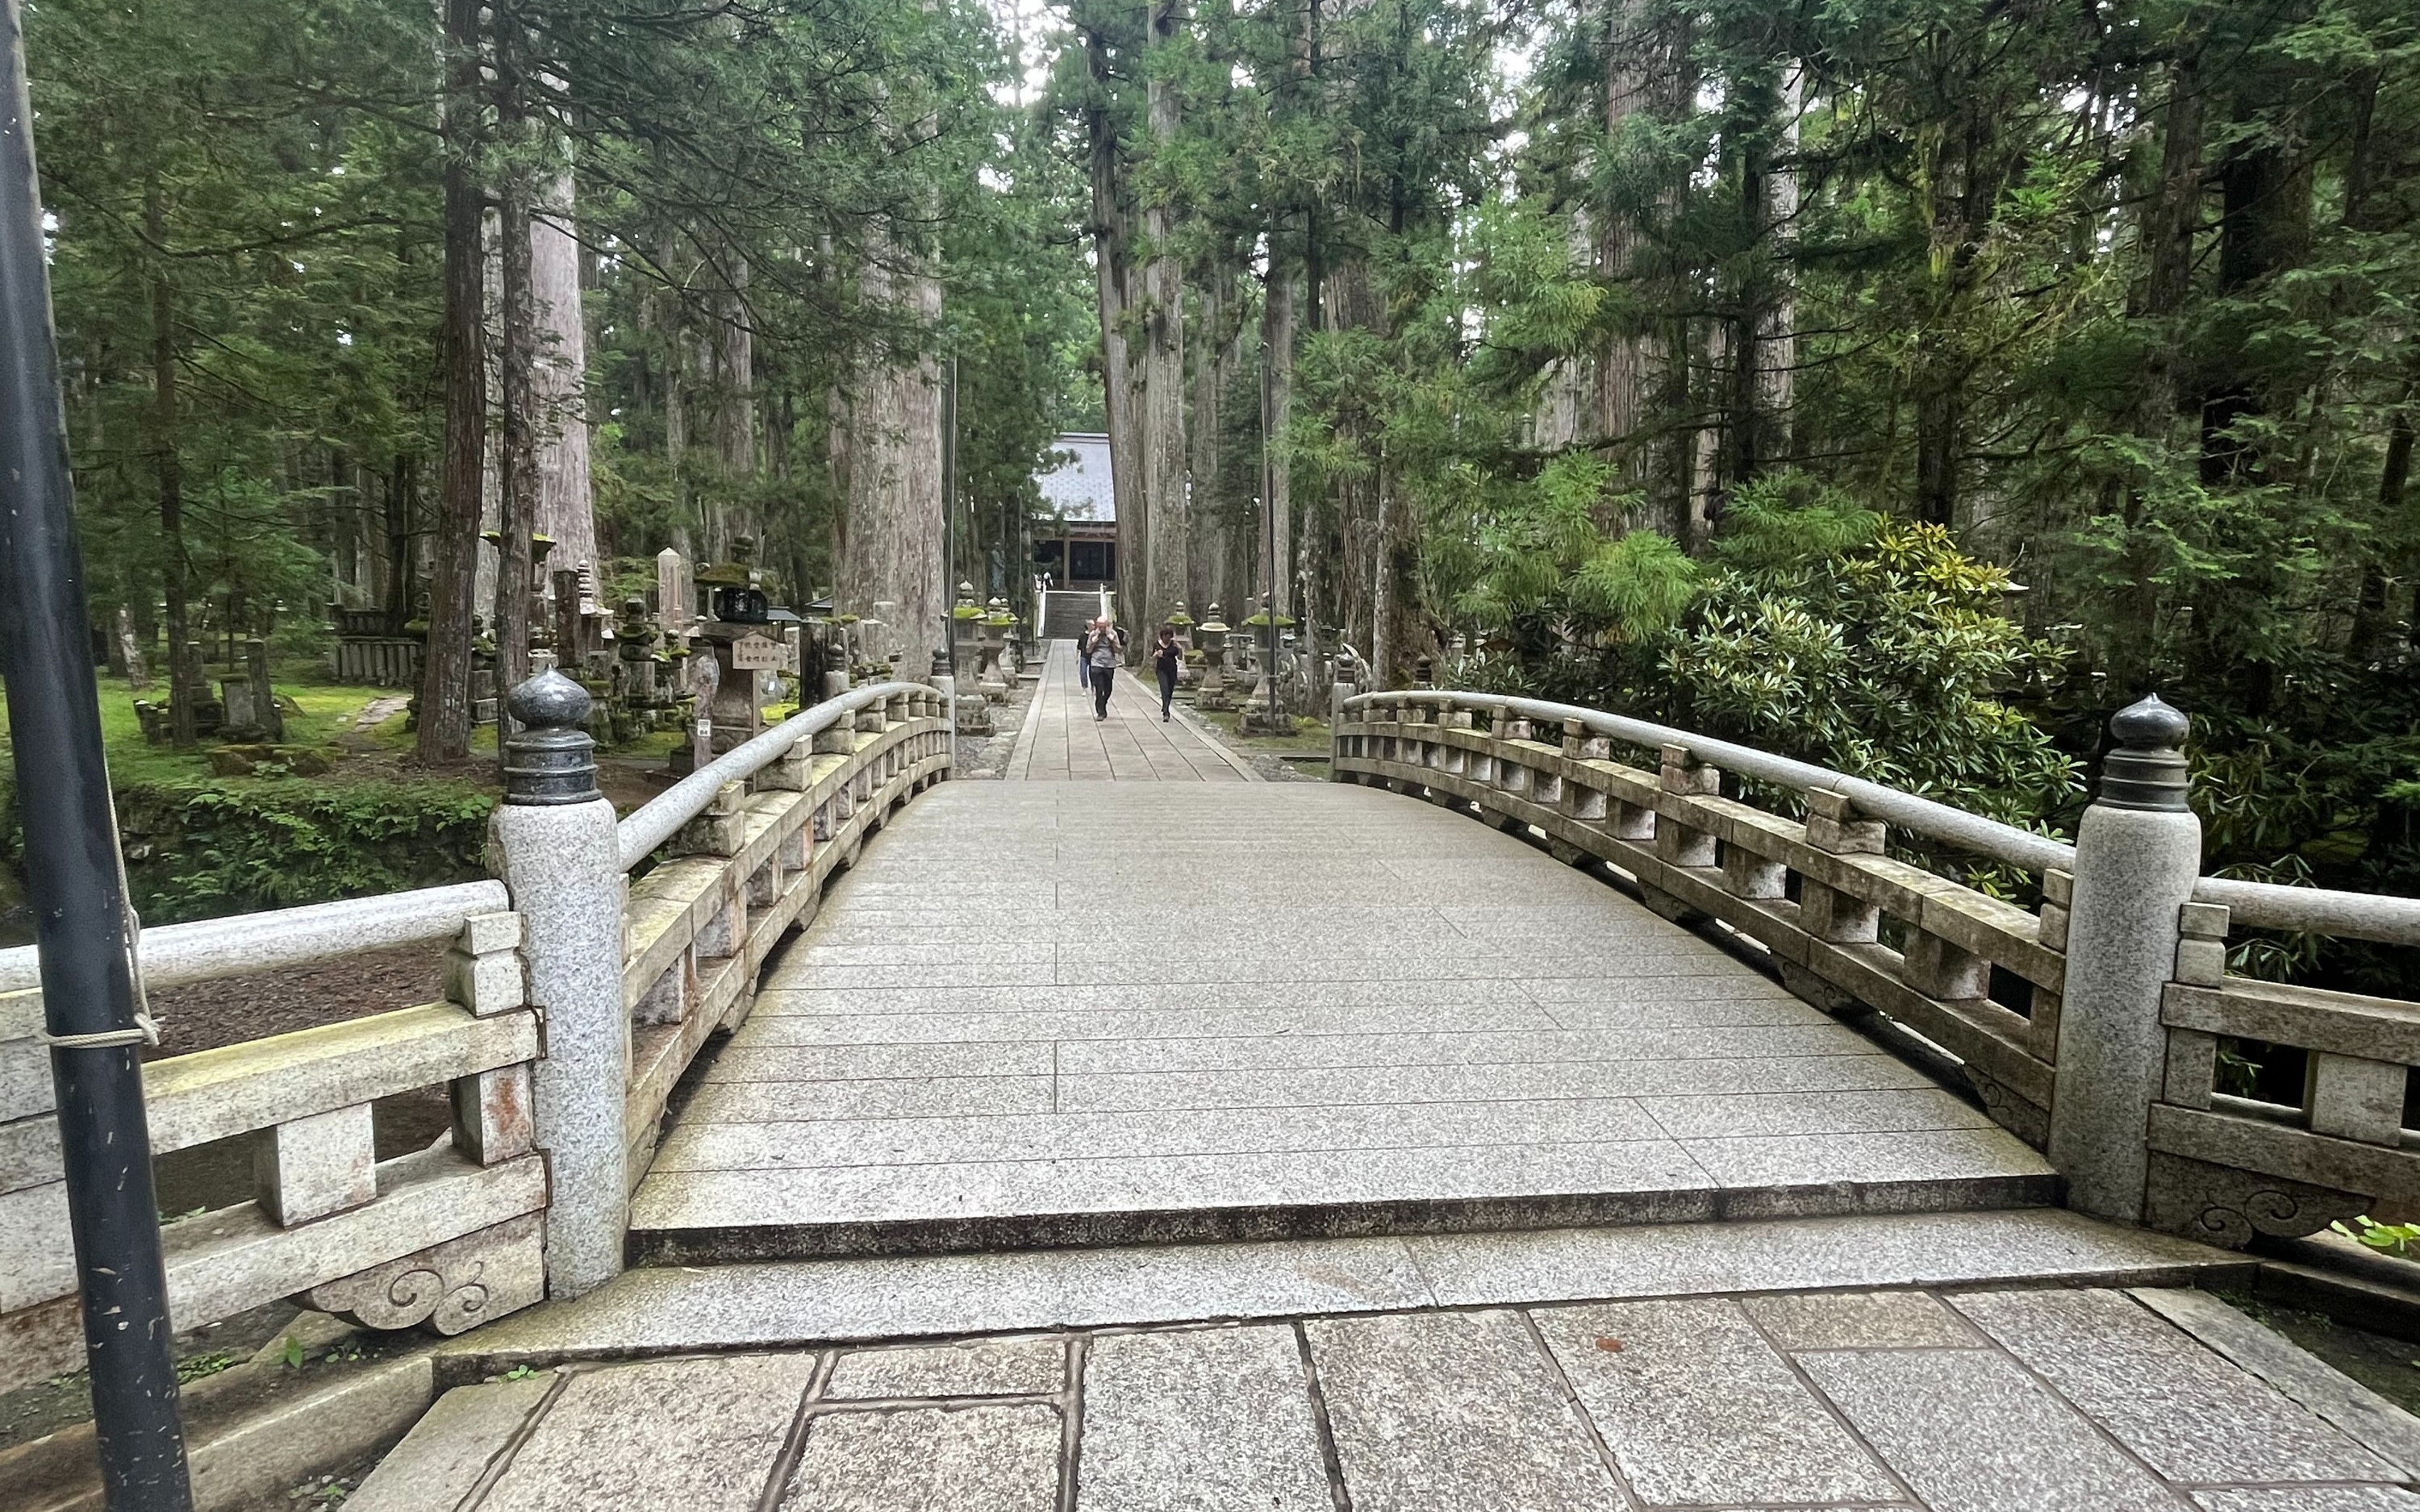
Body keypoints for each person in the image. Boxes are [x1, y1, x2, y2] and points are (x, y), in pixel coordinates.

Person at [1088, 619, 1126, 720]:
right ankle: (1100, 711)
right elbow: (1088, 650)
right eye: (1099, 626)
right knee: (1099, 688)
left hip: (1109, 664)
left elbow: (1118, 650)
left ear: (1107, 626)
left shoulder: (1113, 634)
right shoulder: (1093, 634)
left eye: (1103, 626)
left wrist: (1112, 640)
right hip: (1096, 663)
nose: (1101, 629)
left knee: (1108, 689)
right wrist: (1093, 642)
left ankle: (1103, 704)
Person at [1151, 625, 1182, 722]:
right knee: (1165, 690)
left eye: (1169, 637)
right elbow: (1152, 658)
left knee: (1170, 690)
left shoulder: (1173, 646)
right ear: (1162, 636)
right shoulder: (1157, 645)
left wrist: (1180, 649)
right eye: (1165, 636)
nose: (1167, 639)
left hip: (1172, 670)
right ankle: (1166, 712)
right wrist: (1156, 656)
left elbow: (1180, 657)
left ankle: (1165, 705)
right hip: (1161, 670)